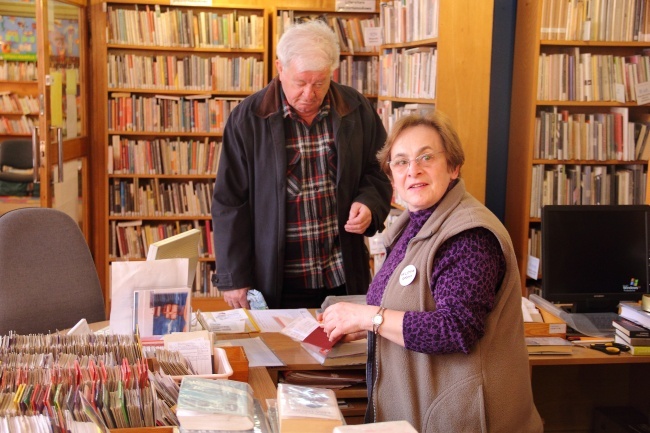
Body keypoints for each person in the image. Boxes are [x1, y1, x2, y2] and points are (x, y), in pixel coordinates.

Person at [319, 111, 543, 432]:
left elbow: (454, 328)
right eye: (401, 162)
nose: (414, 170)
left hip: (466, 417)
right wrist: (364, 325)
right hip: (422, 409)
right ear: (392, 178)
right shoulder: (412, 222)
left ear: (453, 166)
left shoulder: (469, 236)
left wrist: (369, 318)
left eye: (426, 157)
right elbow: (407, 303)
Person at [211, 20, 392, 309]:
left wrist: (369, 204)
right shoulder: (248, 119)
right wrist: (233, 277)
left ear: (333, 72)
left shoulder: (356, 108)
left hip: (342, 273)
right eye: (300, 83)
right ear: (279, 68)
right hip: (277, 278)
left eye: (320, 83)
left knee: (349, 354)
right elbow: (230, 202)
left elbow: (380, 168)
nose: (309, 94)